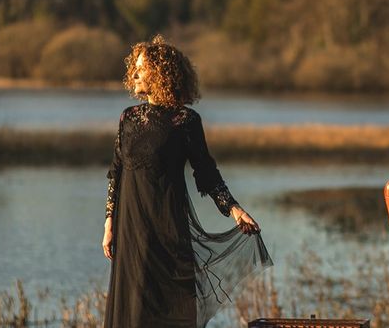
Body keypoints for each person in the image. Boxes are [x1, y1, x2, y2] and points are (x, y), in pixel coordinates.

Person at [102, 35, 272, 327]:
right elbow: (116, 171)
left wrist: (233, 209)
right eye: (134, 68)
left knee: (175, 310)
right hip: (130, 230)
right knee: (132, 313)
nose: (135, 75)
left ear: (160, 74)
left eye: (141, 69)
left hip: (168, 229)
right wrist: (109, 223)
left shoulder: (185, 121)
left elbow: (206, 172)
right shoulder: (128, 118)